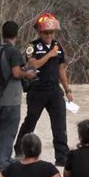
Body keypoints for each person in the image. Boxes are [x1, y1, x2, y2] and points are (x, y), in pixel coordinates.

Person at [15, 13, 73, 166]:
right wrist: (49, 55)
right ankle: (20, 148)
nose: (49, 35)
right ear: (39, 32)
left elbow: (62, 70)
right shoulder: (32, 46)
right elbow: (33, 64)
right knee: (31, 121)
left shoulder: (58, 46)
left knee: (59, 124)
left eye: (51, 32)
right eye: (46, 33)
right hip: (37, 89)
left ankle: (62, 156)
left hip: (54, 90)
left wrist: (67, 89)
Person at [0, 21, 36, 173]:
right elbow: (16, 73)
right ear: (16, 34)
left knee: (2, 129)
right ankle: (2, 161)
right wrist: (28, 74)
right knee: (9, 130)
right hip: (11, 96)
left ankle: (3, 156)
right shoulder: (13, 51)